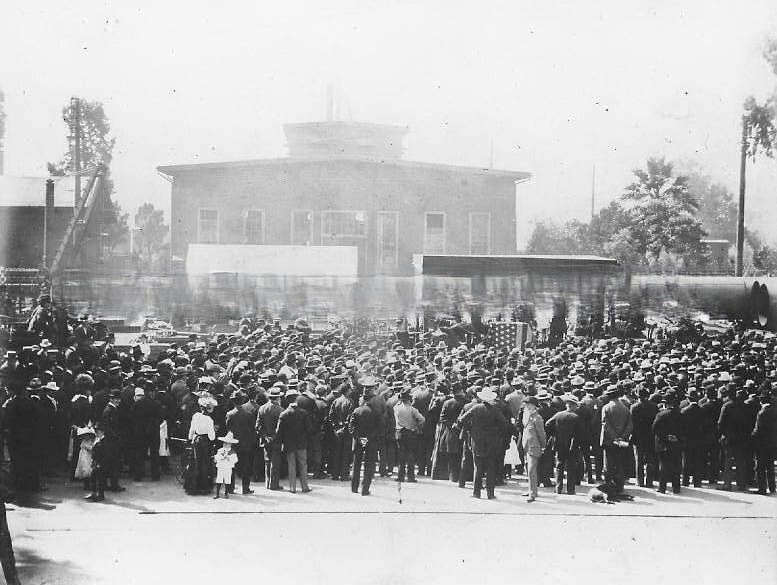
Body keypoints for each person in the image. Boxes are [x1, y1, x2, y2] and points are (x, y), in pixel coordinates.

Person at [456, 387, 506, 499]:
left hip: (477, 441)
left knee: (477, 467)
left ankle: (476, 492)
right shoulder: (495, 410)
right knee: (490, 468)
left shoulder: (475, 408)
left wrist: (471, 429)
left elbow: (461, 420)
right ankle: (490, 493)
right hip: (492, 442)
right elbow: (504, 424)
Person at [545, 394, 583, 495]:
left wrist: (555, 434)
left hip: (559, 443)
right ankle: (570, 489)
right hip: (571, 445)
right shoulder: (576, 417)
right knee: (571, 467)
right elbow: (579, 434)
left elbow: (547, 424)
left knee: (559, 466)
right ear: (574, 406)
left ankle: (558, 488)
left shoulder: (559, 415)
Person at [348, 380, 382, 496]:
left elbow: (351, 428)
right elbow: (378, 428)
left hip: (358, 442)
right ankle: (365, 489)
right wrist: (368, 439)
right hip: (371, 442)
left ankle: (354, 487)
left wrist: (359, 439)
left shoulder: (356, 411)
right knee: (369, 466)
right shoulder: (376, 412)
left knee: (356, 465)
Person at [276, 387, 312, 493]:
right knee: (303, 465)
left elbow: (279, 432)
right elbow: (309, 429)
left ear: (287, 399)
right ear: (296, 399)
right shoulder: (303, 413)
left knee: (291, 465)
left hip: (289, 444)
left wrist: (281, 442)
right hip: (301, 443)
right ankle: (305, 487)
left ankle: (293, 488)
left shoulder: (283, 414)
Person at [600, 385, 632, 494]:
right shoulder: (626, 408)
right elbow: (629, 425)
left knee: (608, 464)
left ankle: (609, 486)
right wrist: (622, 437)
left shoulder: (606, 408)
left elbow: (605, 425)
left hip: (609, 440)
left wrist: (614, 437)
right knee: (620, 463)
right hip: (622, 441)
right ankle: (620, 486)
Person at [225, 392, 257, 495]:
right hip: (246, 443)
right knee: (245, 467)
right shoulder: (249, 414)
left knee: (232, 466)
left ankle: (230, 488)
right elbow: (253, 429)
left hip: (233, 443)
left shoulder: (229, 414)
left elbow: (228, 428)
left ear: (233, 402)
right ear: (242, 401)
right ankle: (245, 488)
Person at [653, 391, 684, 494]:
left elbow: (655, 429)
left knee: (664, 466)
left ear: (665, 403)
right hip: (676, 443)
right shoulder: (680, 414)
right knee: (676, 466)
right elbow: (685, 429)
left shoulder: (661, 414)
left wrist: (666, 437)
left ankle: (662, 488)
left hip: (663, 444)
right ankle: (676, 488)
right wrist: (676, 437)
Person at [393, 388, 425, 483]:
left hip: (399, 432)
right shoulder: (412, 409)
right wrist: (416, 426)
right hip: (410, 432)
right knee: (410, 455)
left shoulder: (396, 408)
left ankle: (400, 476)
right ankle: (411, 477)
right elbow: (422, 419)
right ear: (409, 399)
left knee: (401, 455)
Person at [186, 398, 216, 495]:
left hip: (196, 439)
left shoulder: (196, 416)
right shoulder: (209, 420)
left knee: (195, 462)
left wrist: (190, 438)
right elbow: (212, 437)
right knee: (204, 463)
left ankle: (193, 487)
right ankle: (204, 487)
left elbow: (192, 429)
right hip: (205, 442)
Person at [256, 386, 284, 491]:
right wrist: (274, 437)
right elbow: (281, 428)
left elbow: (258, 426)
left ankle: (267, 483)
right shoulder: (280, 410)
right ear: (278, 398)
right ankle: (274, 484)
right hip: (276, 440)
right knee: (275, 462)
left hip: (265, 439)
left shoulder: (262, 408)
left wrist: (265, 436)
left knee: (267, 461)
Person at [630, 386, 659, 488]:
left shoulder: (634, 407)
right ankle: (649, 481)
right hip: (650, 436)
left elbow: (632, 423)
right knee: (650, 459)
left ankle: (640, 481)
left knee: (639, 459)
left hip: (638, 437)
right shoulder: (654, 407)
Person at [751, 389, 776, 495]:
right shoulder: (774, 411)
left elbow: (758, 430)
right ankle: (772, 487)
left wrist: (752, 437)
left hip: (761, 444)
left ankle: (762, 488)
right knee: (770, 466)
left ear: (761, 401)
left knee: (760, 467)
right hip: (772, 442)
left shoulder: (762, 413)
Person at [522, 396, 546, 502]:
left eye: (529, 404)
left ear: (534, 406)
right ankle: (532, 490)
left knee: (531, 470)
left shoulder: (537, 418)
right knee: (528, 470)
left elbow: (541, 434)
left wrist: (543, 446)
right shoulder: (527, 416)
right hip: (527, 445)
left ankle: (532, 494)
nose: (526, 406)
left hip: (534, 446)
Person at [213, 432, 239, 499]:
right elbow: (216, 458)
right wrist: (221, 457)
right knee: (219, 480)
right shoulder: (220, 450)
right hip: (221, 467)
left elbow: (235, 460)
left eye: (227, 443)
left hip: (228, 468)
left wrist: (228, 458)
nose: (225, 444)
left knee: (227, 480)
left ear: (230, 444)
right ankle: (217, 494)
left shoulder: (233, 452)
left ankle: (226, 493)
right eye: (224, 443)